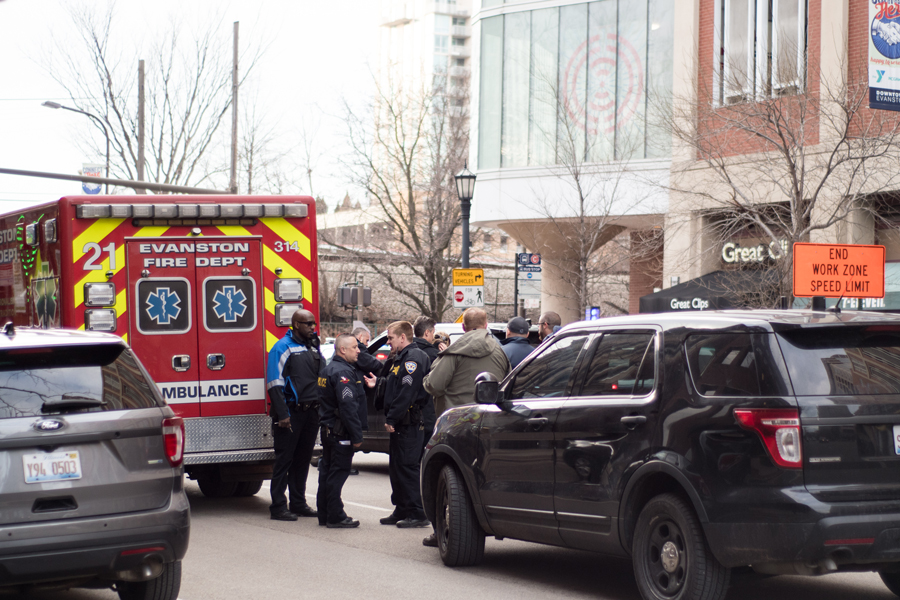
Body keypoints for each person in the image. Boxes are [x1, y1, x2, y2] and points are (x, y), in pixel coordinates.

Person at [421, 307, 510, 547]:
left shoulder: (454, 352)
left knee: (446, 481)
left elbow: (435, 385)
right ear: (486, 324)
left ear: (463, 327)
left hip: (455, 425)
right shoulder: (500, 352)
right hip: (489, 424)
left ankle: (442, 531)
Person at [265, 309, 322, 521]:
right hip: (290, 414)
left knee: (302, 460)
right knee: (284, 461)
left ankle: (298, 503)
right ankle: (278, 506)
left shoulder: (312, 347)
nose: (311, 327)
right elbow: (274, 383)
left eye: (313, 323)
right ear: (296, 325)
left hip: (311, 413)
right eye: (307, 324)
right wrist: (283, 414)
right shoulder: (282, 347)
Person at [316, 334, 376, 528]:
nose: (359, 350)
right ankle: (335, 516)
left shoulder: (329, 369)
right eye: (354, 347)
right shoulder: (343, 373)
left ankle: (325, 513)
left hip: (329, 430)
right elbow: (348, 407)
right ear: (343, 350)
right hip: (340, 432)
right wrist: (357, 436)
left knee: (327, 472)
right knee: (337, 473)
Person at [379, 321, 431, 529]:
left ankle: (417, 512)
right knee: (397, 467)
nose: (388, 342)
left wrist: (392, 417)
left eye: (391, 338)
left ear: (403, 337)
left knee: (408, 467)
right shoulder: (399, 358)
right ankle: (401, 508)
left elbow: (406, 393)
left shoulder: (414, 358)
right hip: (402, 422)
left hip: (408, 421)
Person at [412, 316, 439, 456]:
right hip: (428, 412)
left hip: (409, 414)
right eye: (433, 332)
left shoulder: (407, 352)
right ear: (427, 333)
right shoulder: (433, 355)